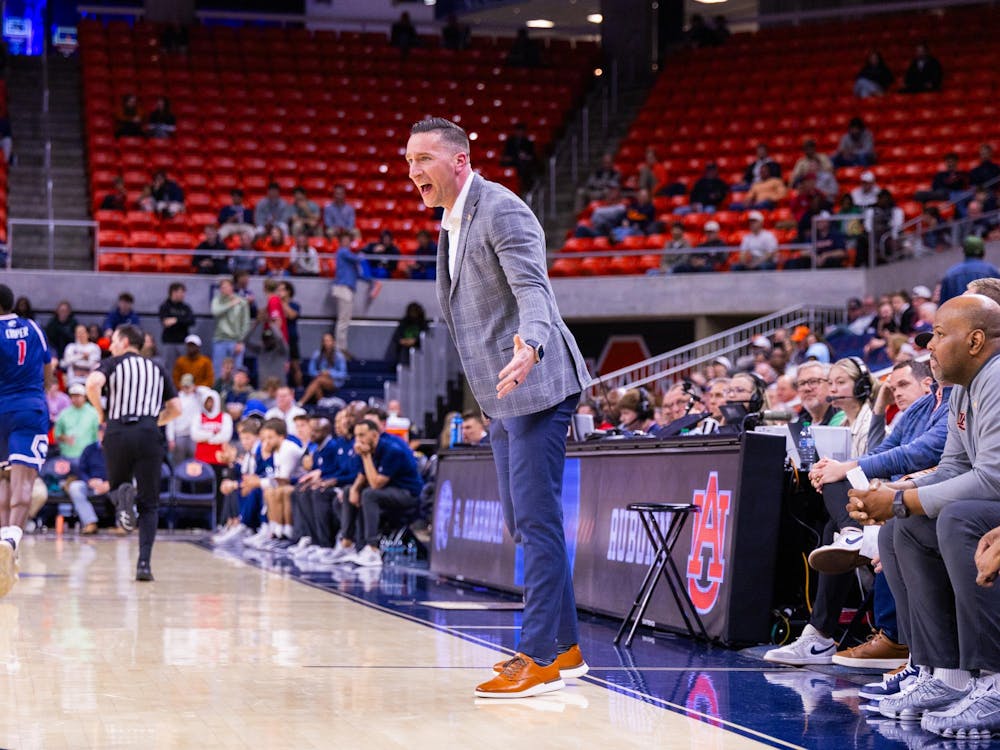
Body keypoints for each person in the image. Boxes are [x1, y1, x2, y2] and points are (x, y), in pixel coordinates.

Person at [405, 117, 591, 698]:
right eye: (409, 161)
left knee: (535, 521)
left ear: (459, 160)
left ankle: (536, 654)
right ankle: (566, 649)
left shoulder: (502, 209)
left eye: (424, 160)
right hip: (502, 395)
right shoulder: (451, 224)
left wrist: (533, 343)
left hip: (538, 382)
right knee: (522, 521)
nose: (414, 173)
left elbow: (535, 290)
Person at [848, 295, 1000, 736]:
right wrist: (894, 493)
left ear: (974, 341)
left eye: (938, 334)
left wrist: (899, 500)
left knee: (956, 519)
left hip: (989, 503)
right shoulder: (962, 389)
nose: (929, 346)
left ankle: (992, 678)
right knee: (906, 528)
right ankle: (943, 673)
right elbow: (954, 468)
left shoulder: (995, 378)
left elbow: (992, 479)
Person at [86, 324, 180, 581]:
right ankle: (144, 565)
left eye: (114, 341)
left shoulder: (113, 363)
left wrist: (100, 412)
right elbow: (176, 409)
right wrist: (152, 422)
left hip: (117, 431)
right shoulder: (158, 367)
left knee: (116, 487)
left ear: (125, 341)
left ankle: (124, 498)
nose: (111, 346)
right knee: (150, 503)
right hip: (149, 433)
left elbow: (93, 383)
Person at [0, 284, 53, 597]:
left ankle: (1, 543)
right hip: (29, 407)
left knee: (3, 479)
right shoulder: (34, 327)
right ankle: (10, 541)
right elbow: (48, 368)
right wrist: (39, 394)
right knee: (24, 481)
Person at [326, 418, 423, 566]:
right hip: (387, 492)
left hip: (408, 494)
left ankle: (372, 549)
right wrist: (353, 489)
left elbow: (376, 484)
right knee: (347, 492)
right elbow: (361, 475)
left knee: (369, 494)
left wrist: (366, 457)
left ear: (375, 435)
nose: (358, 440)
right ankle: (347, 545)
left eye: (362, 435)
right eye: (356, 435)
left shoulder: (392, 450)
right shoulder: (364, 448)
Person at [331, 232, 382, 356]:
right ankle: (339, 348)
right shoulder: (343, 252)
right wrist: (369, 251)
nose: (346, 242)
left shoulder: (350, 259)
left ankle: (342, 347)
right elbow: (359, 258)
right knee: (343, 319)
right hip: (342, 288)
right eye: (344, 240)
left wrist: (371, 280)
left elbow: (358, 274)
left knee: (346, 319)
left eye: (348, 240)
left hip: (348, 289)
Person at [66, 424, 110, 535]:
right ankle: (90, 522)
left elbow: (124, 468)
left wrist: (110, 482)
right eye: (102, 432)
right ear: (98, 433)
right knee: (75, 487)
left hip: (111, 484)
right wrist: (89, 481)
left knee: (126, 486)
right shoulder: (89, 449)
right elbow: (81, 470)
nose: (103, 435)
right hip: (91, 483)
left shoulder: (119, 449)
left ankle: (124, 524)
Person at [939, 236, 1000, 303]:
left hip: (958, 312)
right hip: (987, 312)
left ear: (964, 251)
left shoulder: (950, 274)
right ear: (983, 251)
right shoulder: (992, 271)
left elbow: (943, 305)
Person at [210, 277, 251, 375]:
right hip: (219, 340)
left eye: (226, 287)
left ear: (232, 287)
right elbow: (215, 312)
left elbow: (245, 324)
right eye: (222, 288)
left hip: (235, 341)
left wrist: (241, 341)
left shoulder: (242, 302)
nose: (224, 289)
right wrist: (231, 304)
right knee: (218, 371)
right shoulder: (217, 300)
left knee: (236, 370)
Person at [158, 282, 195, 377]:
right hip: (169, 342)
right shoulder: (165, 306)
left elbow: (191, 321)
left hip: (183, 342)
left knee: (184, 367)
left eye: (183, 292)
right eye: (181, 292)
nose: (183, 295)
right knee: (169, 367)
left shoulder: (186, 307)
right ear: (173, 292)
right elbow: (165, 322)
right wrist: (182, 320)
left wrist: (176, 320)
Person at [53, 384, 100, 460]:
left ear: (85, 397)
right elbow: (57, 434)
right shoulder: (64, 413)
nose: (76, 398)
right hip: (67, 455)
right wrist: (65, 438)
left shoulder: (93, 413)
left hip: (88, 456)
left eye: (78, 396)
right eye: (73, 396)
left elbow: (97, 435)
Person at [299, 333, 347, 407]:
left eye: (329, 340)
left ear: (333, 342)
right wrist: (320, 373)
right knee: (317, 383)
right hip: (319, 379)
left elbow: (343, 374)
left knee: (318, 381)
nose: (327, 343)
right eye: (325, 341)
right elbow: (311, 371)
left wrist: (330, 373)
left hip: (334, 382)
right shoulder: (317, 354)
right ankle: (321, 404)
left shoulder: (339, 356)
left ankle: (301, 401)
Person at [500, 123, 538, 193]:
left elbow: (532, 156)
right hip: (512, 162)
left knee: (525, 167)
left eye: (521, 131)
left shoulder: (528, 143)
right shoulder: (510, 141)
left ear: (524, 132)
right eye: (518, 131)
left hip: (523, 164)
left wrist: (526, 157)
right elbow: (506, 154)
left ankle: (523, 186)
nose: (519, 133)